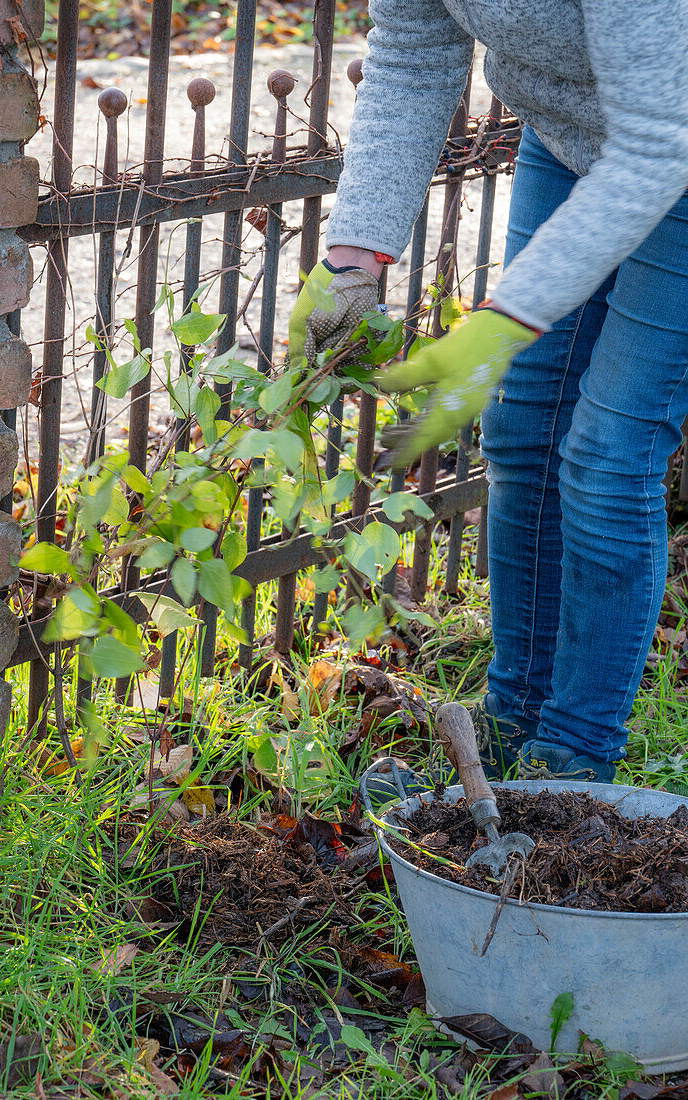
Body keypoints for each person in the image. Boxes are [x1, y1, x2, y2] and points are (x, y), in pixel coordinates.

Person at [287, 0, 688, 782]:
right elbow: (411, 51)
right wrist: (353, 255)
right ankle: (510, 726)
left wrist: (505, 321)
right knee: (522, 434)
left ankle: (570, 763)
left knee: (609, 456)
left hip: (672, 144)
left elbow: (661, 140)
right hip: (574, 142)